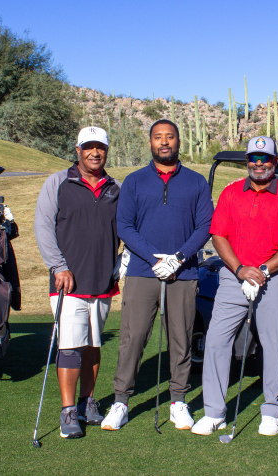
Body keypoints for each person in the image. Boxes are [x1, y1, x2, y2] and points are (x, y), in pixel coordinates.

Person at [101, 119, 213, 431]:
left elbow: (205, 225)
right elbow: (125, 226)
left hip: (184, 273)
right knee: (133, 337)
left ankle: (178, 401)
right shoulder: (134, 181)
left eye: (170, 137)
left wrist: (178, 258)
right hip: (142, 271)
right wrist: (154, 258)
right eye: (158, 137)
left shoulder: (196, 182)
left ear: (179, 141)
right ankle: (121, 402)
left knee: (181, 338)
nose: (164, 142)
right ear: (150, 142)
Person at [191, 136, 278, 437]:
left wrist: (264, 270)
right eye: (254, 158)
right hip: (234, 275)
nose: (259, 164)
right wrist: (241, 269)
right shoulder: (231, 193)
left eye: (265, 158)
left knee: (276, 343)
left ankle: (271, 411)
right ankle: (214, 412)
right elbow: (219, 236)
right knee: (216, 340)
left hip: (274, 276)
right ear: (247, 162)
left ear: (275, 162)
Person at [34, 126, 123, 439]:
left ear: (106, 151)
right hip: (68, 283)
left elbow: (127, 228)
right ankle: (68, 410)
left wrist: (120, 262)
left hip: (102, 281)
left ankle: (88, 402)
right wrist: (58, 266)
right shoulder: (58, 182)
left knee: (93, 345)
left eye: (100, 147)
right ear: (78, 150)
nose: (94, 153)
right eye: (88, 147)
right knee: (70, 347)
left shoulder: (116, 187)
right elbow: (43, 227)